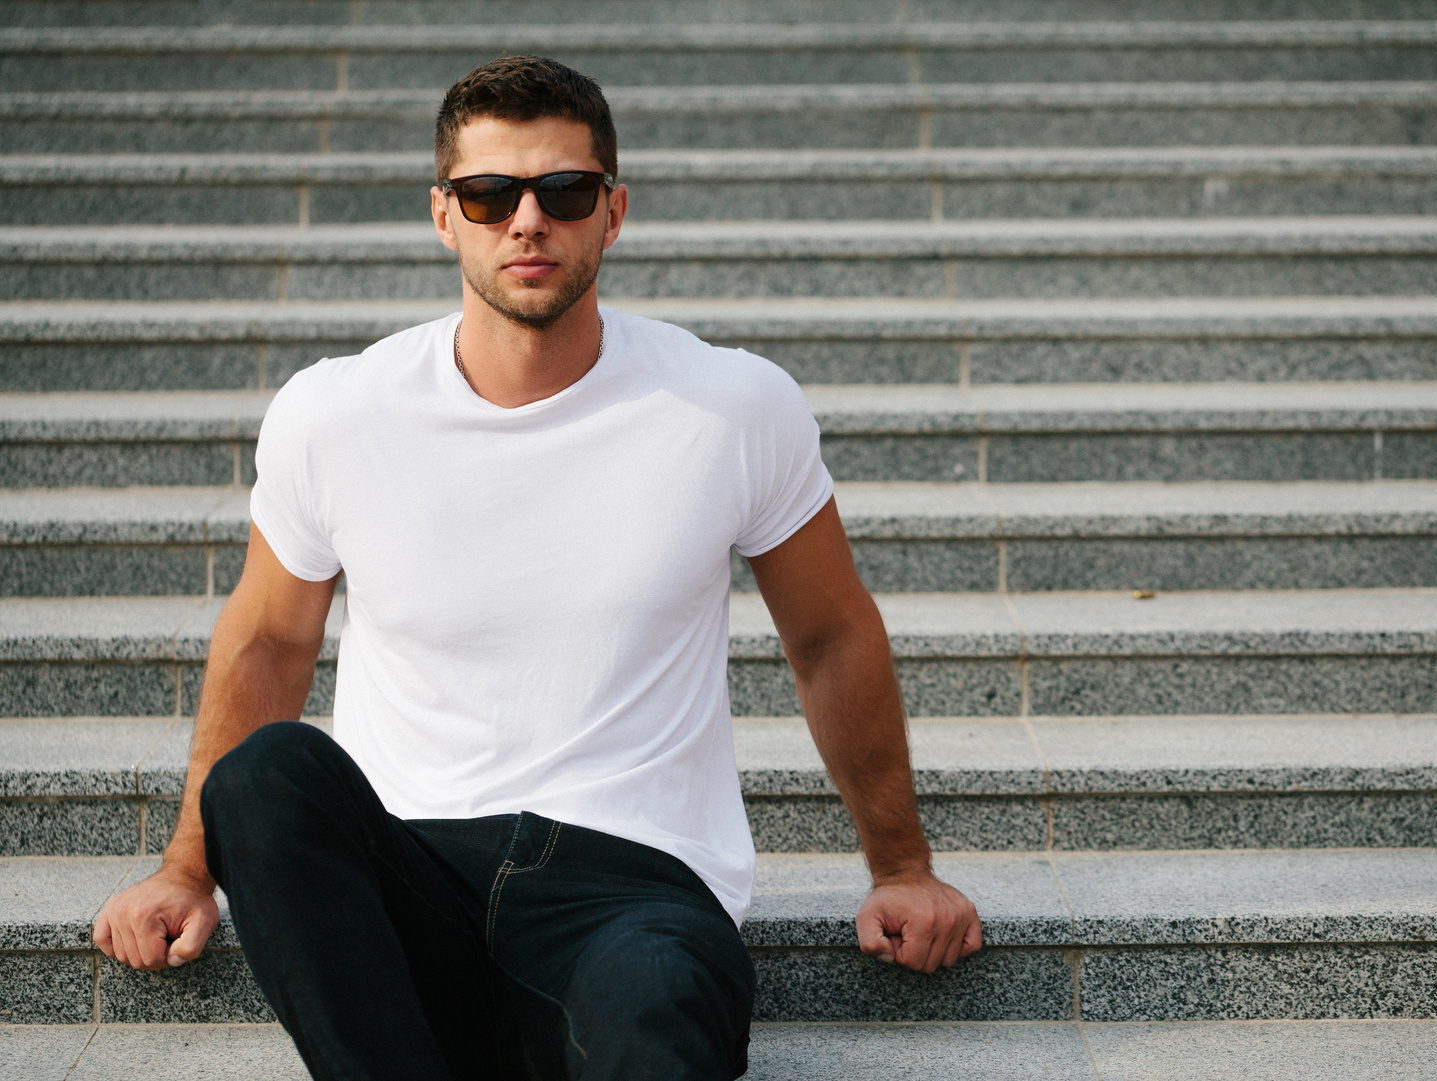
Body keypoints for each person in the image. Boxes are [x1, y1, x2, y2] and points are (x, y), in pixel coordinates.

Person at [91, 55, 981, 1081]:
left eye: (563, 191)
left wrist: (902, 868)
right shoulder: (337, 412)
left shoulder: (731, 405)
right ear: (443, 214)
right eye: (488, 194)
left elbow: (828, 634)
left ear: (613, 212)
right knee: (268, 779)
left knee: (658, 1004)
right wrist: (184, 869)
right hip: (411, 874)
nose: (527, 221)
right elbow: (267, 639)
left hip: (634, 890)